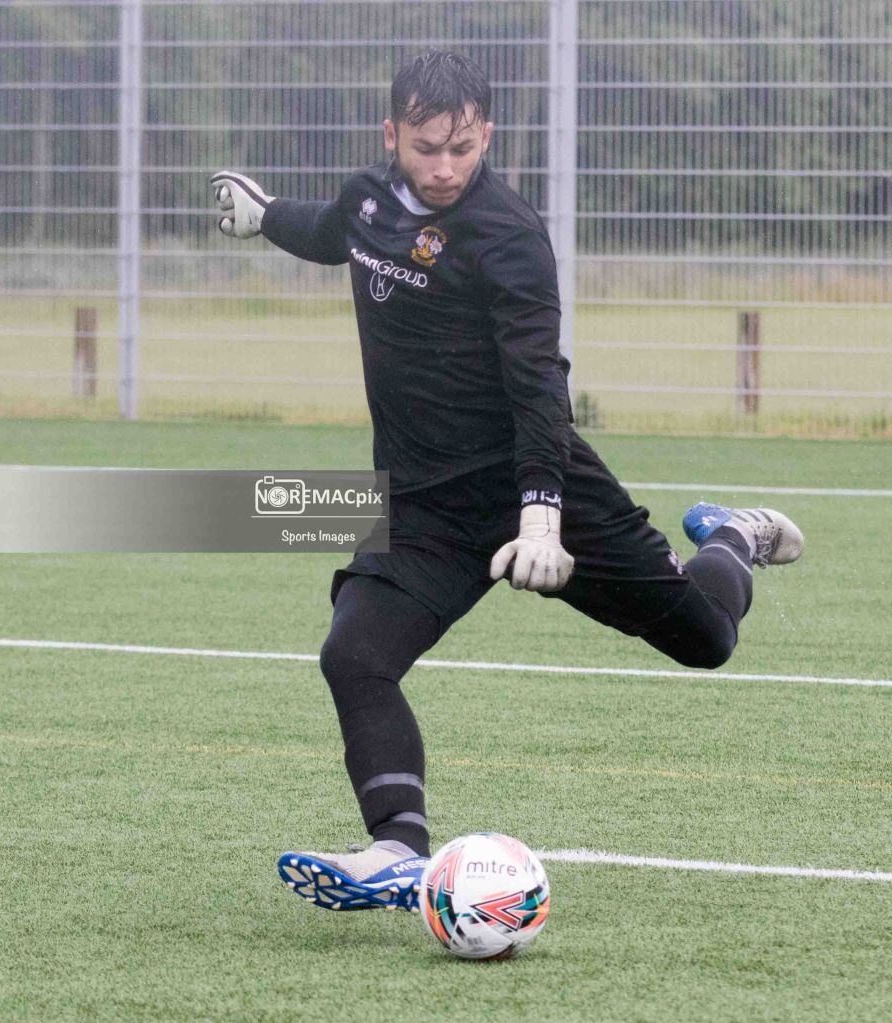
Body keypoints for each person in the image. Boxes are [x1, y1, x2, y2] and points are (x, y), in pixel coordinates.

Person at [211, 52, 803, 914]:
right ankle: (398, 849)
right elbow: (331, 233)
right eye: (425, 148)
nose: (444, 167)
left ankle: (733, 537)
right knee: (354, 654)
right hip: (423, 505)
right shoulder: (370, 200)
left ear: (486, 134)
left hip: (535, 480)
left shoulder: (508, 235)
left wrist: (541, 514)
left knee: (706, 639)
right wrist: (263, 216)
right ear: (391, 135)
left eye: (461, 148)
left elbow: (538, 385)